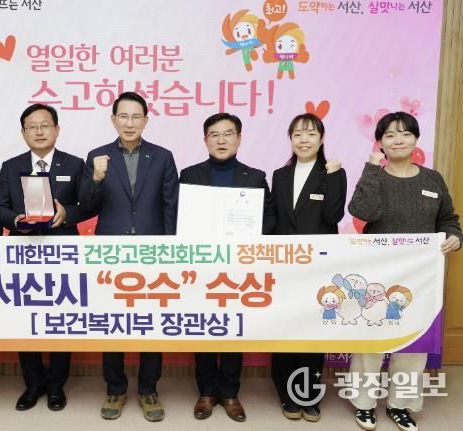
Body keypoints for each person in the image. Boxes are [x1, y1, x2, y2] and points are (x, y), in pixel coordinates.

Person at [348, 111, 462, 431]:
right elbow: (362, 211)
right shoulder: (375, 176)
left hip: (420, 276)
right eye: (390, 135)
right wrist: (371, 169)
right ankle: (364, 404)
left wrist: (455, 236)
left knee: (414, 342)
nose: (398, 140)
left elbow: (448, 220)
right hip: (377, 272)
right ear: (380, 143)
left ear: (415, 139)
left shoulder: (432, 180)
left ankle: (401, 405)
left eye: (405, 133)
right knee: (371, 340)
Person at [79, 91, 178, 422]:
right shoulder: (97, 157)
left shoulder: (162, 157)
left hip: (154, 252)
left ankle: (149, 389)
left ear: (146, 121)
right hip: (111, 252)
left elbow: (170, 206)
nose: (130, 123)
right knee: (112, 321)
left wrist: (170, 251)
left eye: (136, 117)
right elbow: (85, 206)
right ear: (113, 120)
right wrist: (96, 178)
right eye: (123, 116)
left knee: (152, 322)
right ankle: (115, 388)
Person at [179, 112, 276, 422]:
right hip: (202, 265)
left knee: (234, 329)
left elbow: (270, 218)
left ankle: (231, 393)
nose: (221, 140)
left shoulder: (255, 177)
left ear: (239, 138)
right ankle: (207, 392)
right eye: (214, 135)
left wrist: (250, 240)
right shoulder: (189, 175)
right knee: (206, 327)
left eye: (228, 134)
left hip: (240, 266)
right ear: (205, 140)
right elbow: (181, 218)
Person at [0, 104, 88, 412]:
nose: (39, 131)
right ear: (23, 133)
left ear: (57, 129)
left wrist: (67, 213)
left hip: (63, 249)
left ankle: (56, 385)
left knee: (61, 318)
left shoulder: (75, 164)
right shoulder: (10, 166)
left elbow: (88, 204)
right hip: (23, 249)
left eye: (45, 125)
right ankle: (33, 383)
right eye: (32, 126)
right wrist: (15, 220)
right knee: (26, 318)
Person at [270, 113, 347, 422]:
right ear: (290, 139)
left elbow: (333, 216)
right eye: (298, 134)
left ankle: (309, 394)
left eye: (311, 134)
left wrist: (333, 176)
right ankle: (286, 395)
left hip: (318, 267)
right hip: (283, 265)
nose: (304, 140)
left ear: (321, 139)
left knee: (313, 332)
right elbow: (274, 220)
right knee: (284, 329)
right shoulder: (280, 175)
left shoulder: (333, 172)